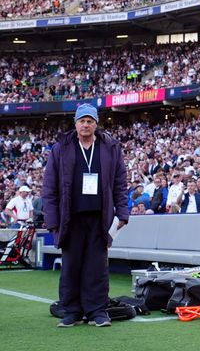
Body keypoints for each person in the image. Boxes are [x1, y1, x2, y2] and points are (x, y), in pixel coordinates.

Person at [42, 103, 128, 328]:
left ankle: (97, 311)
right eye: (82, 121)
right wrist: (52, 222)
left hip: (100, 216)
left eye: (90, 121)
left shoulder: (110, 147)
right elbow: (49, 187)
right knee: (71, 266)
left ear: (96, 124)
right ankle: (71, 311)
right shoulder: (61, 147)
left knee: (97, 267)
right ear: (75, 123)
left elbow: (120, 183)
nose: (86, 125)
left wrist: (123, 213)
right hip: (71, 217)